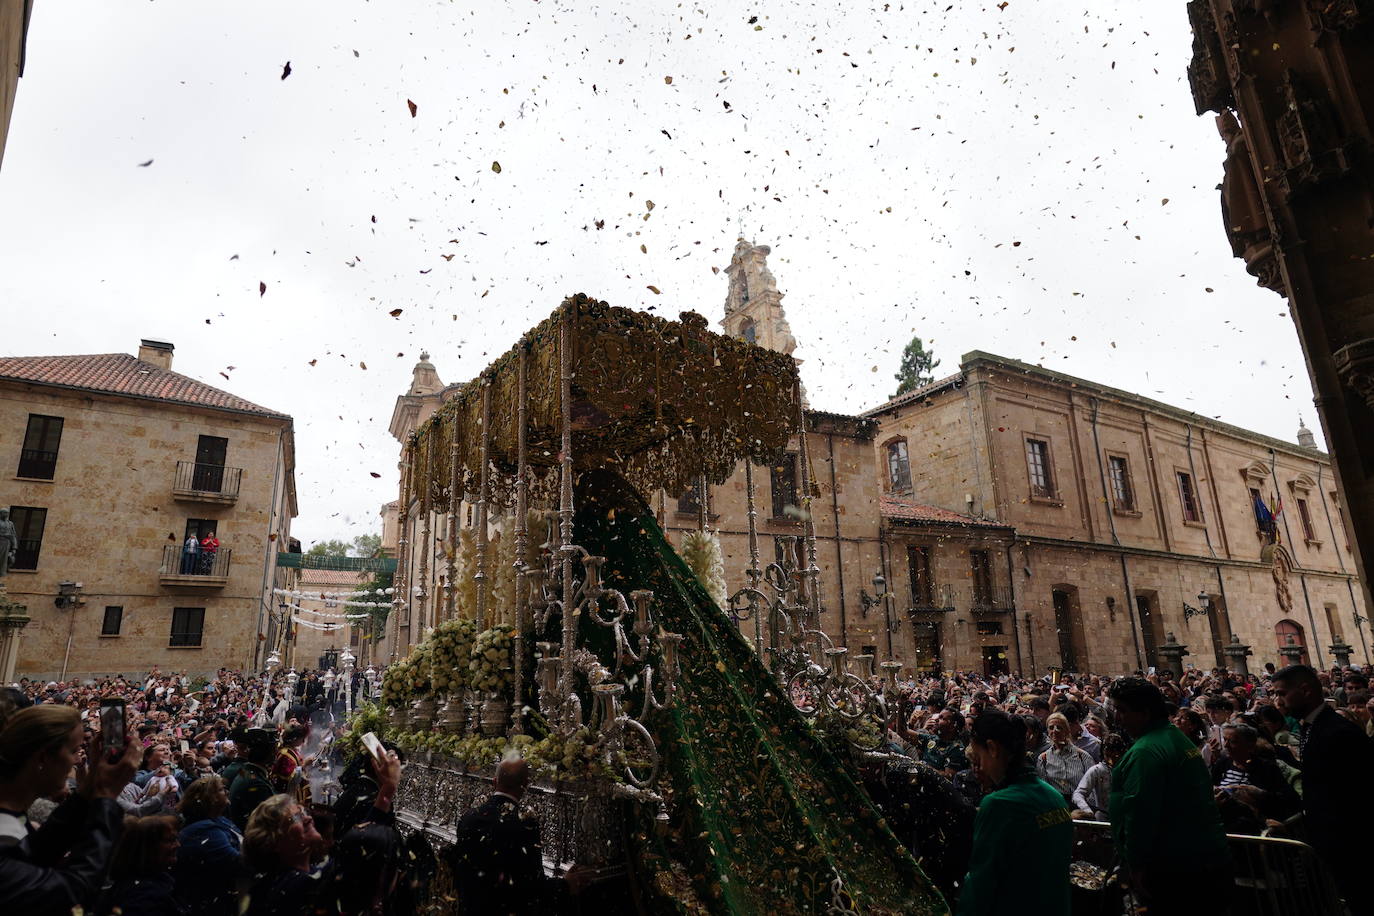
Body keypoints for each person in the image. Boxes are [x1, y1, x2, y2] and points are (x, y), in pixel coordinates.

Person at [0, 704, 142, 913]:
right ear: (43, 758)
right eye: (73, 750)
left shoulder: (12, 816)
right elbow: (71, 891)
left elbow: (37, 854)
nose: (78, 760)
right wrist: (106, 797)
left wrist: (88, 789)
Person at [1107, 677, 1231, 913]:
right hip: (1202, 859)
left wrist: (1137, 862)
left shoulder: (1145, 752)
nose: (1117, 718)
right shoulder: (1176, 737)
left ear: (1144, 712)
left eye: (1122, 711)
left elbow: (1140, 813)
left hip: (1175, 866)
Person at [242, 746, 400, 916]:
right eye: (295, 818)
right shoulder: (295, 886)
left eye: (302, 812)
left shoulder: (295, 876)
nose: (308, 818)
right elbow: (360, 849)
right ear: (273, 842)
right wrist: (388, 789)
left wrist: (387, 789)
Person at [1269, 664, 1374, 914]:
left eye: (1282, 693)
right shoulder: (1311, 726)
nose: (1278, 701)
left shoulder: (1337, 732)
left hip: (1353, 846)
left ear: (1305, 690)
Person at [958, 709, 1071, 915]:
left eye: (979, 758)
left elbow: (981, 884)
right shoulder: (1054, 797)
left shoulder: (999, 804)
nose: (979, 767)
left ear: (992, 748)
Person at [446, 757, 586, 914]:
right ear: (525, 786)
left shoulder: (468, 818)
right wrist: (565, 885)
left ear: (494, 781)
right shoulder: (524, 825)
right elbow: (532, 887)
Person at [173, 776, 242, 916]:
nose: (227, 792)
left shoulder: (220, 819)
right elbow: (240, 864)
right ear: (210, 798)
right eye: (222, 790)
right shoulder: (204, 830)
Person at [97, 813, 182, 916]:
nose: (178, 845)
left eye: (176, 839)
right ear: (148, 848)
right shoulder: (144, 898)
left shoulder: (156, 880)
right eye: (170, 840)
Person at [1035, 712, 1094, 801]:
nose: (1055, 730)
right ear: (1047, 731)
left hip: (1080, 805)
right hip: (1056, 806)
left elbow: (1092, 789)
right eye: (1051, 728)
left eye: (1059, 727)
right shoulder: (1043, 759)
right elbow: (1044, 790)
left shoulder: (1083, 757)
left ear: (1066, 730)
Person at [228, 728, 276, 830]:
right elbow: (270, 819)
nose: (276, 753)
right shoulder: (255, 783)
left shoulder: (247, 771)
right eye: (273, 749)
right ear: (268, 753)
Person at [1071, 733, 1126, 821]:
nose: (1111, 760)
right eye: (1108, 756)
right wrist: (1088, 811)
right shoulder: (1097, 770)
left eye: (1115, 756)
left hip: (1124, 816)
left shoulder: (1127, 769)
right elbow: (1078, 794)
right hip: (1103, 816)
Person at [919, 709, 969, 777]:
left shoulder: (957, 748)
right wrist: (902, 704)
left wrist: (923, 767)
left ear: (952, 727)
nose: (935, 719)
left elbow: (948, 777)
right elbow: (903, 732)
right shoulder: (931, 738)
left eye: (941, 718)